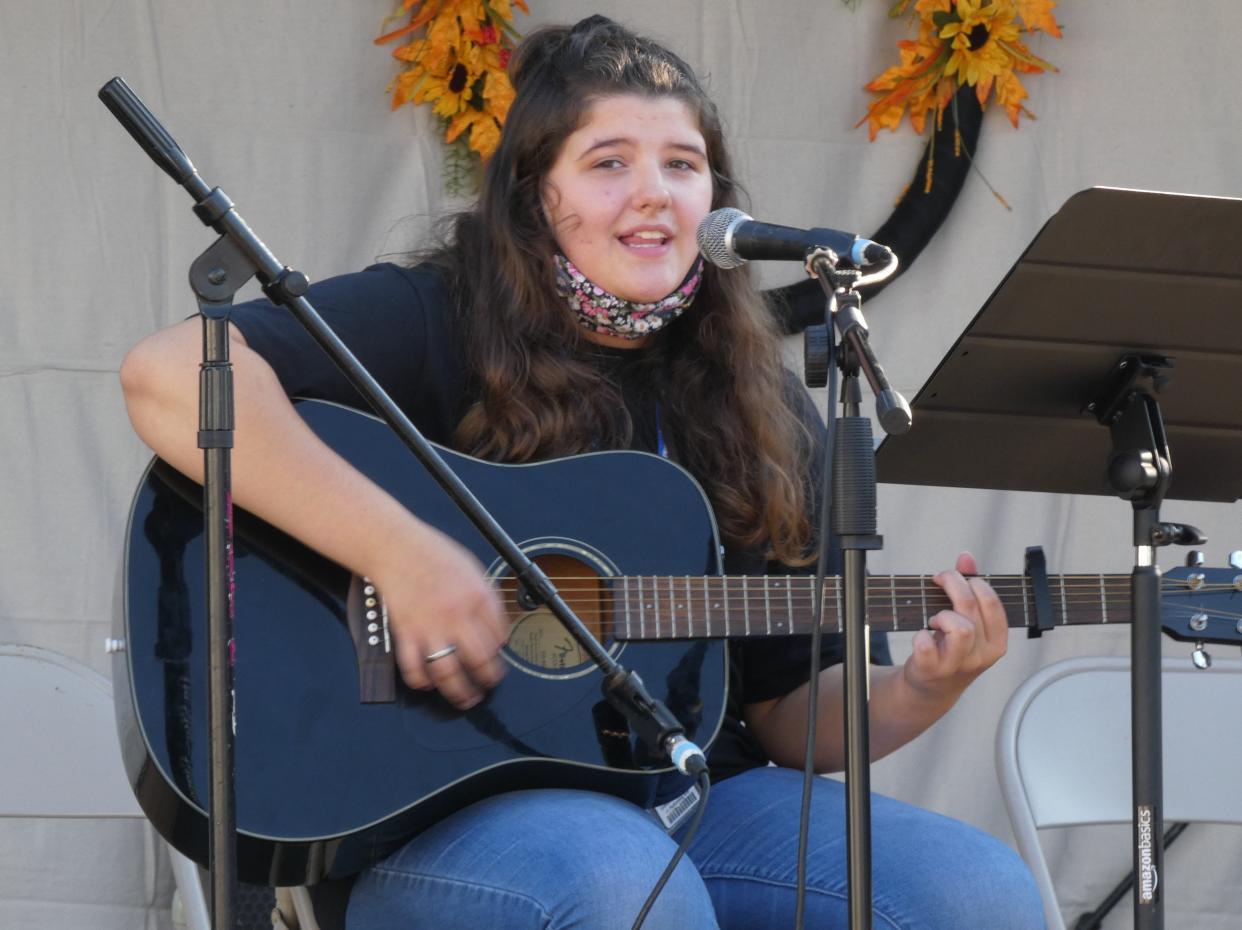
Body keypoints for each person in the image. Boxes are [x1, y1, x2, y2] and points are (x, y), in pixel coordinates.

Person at [120, 15, 1044, 930]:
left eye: (683, 165)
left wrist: (927, 684)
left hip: (694, 799)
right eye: (610, 164)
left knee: (974, 892)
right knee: (622, 884)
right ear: (534, 195)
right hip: (427, 822)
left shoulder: (752, 393)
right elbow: (168, 378)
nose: (655, 194)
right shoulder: (434, 314)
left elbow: (786, 714)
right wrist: (401, 556)